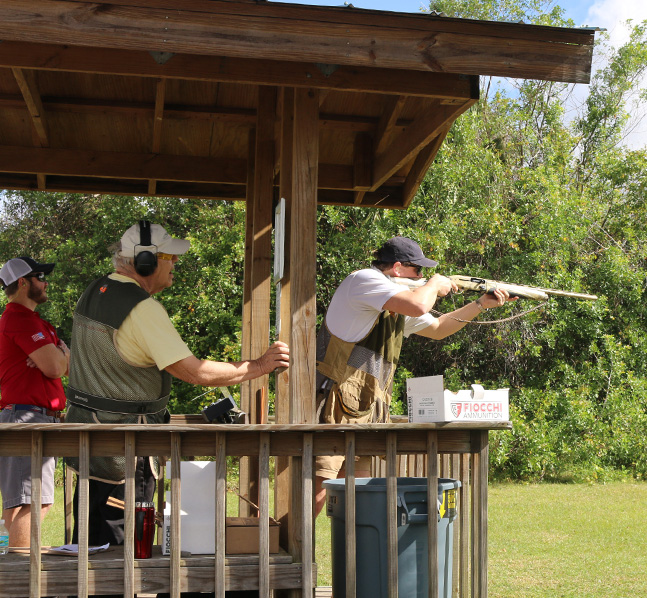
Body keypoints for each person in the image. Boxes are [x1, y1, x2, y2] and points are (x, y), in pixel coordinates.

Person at [65, 221, 290, 546]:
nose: (176, 264)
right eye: (170, 256)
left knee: (88, 548)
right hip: (125, 453)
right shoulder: (141, 308)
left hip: (88, 446)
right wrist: (259, 366)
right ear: (147, 262)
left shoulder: (94, 292)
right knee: (121, 553)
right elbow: (194, 373)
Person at [313, 236, 511, 514]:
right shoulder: (363, 280)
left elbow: (439, 328)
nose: (422, 276)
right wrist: (433, 285)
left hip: (363, 409)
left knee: (356, 499)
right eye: (417, 270)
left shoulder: (396, 303)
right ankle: (289, 553)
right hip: (332, 405)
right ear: (397, 268)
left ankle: (354, 558)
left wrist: (479, 304)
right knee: (319, 492)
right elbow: (420, 305)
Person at [0, 256, 70, 548]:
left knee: (27, 502)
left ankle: (17, 579)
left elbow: (58, 363)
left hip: (29, 417)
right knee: (30, 503)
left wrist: (58, 354)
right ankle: (20, 582)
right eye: (40, 276)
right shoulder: (20, 318)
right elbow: (55, 368)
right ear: (23, 283)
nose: (46, 282)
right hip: (25, 418)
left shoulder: (33, 321)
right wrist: (61, 354)